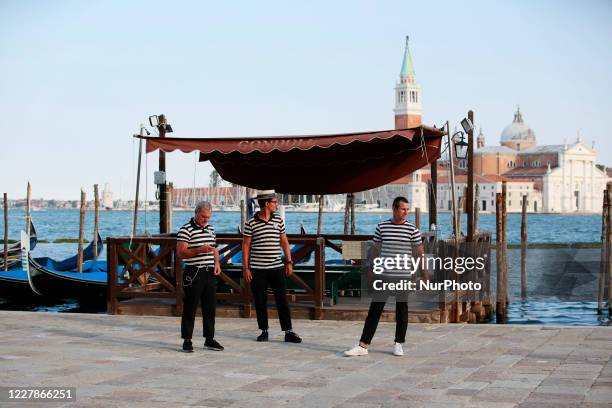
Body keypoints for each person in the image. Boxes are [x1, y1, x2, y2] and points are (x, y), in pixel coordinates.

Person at [344, 196, 423, 357]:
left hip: (403, 276)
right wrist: (372, 270)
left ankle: (399, 343)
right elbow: (375, 250)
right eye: (403, 209)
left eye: (407, 209)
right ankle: (363, 345)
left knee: (402, 310)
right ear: (394, 209)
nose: (406, 212)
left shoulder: (412, 230)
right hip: (384, 276)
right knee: (375, 310)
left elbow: (419, 254)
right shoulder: (382, 227)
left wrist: (423, 274)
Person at [242, 190, 302, 343]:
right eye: (275, 202)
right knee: (260, 300)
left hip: (276, 267)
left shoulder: (279, 220)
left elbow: (284, 242)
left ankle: (288, 331)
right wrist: (246, 268)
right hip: (257, 269)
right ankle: (264, 330)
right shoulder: (250, 223)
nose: (277, 205)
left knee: (282, 300)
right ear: (267, 203)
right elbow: (246, 246)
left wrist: (289, 262)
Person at [177, 201, 224, 352]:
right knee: (190, 307)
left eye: (208, 217)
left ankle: (209, 339)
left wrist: (217, 263)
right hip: (194, 271)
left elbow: (215, 249)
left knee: (210, 308)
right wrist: (199, 250)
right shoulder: (186, 229)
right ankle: (187, 340)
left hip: (209, 271)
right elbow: (181, 253)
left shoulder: (211, 229)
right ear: (196, 214)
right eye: (203, 217)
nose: (206, 220)